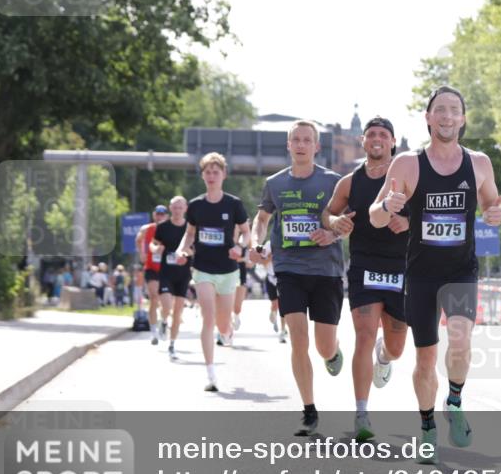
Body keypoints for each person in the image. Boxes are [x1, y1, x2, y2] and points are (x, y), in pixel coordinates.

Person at [370, 86, 501, 464]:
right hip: (422, 275)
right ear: (428, 118)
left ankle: (454, 401)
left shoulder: (479, 163)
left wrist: (495, 215)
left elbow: (493, 207)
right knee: (426, 359)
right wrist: (387, 205)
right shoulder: (407, 164)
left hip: (461, 270)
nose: (447, 116)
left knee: (460, 340)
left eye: (454, 110)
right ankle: (427, 425)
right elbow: (374, 217)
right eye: (440, 110)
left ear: (463, 119)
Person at [250, 120, 344, 436]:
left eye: (307, 140)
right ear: (288, 145)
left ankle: (333, 352)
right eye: (296, 140)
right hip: (289, 269)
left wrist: (331, 234)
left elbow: (347, 221)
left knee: (323, 346)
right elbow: (262, 218)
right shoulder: (275, 183)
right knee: (298, 338)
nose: (301, 145)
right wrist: (256, 243)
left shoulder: (333, 181)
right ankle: (309, 409)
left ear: (316, 147)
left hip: (326, 270)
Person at [325, 116, 409, 442]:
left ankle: (383, 357)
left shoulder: (408, 176)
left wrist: (408, 223)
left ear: (393, 142)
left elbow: (428, 213)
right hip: (364, 266)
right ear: (362, 141)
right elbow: (328, 213)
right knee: (362, 335)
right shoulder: (349, 182)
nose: (377, 139)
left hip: (401, 268)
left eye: (383, 135)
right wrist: (336, 222)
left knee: (397, 348)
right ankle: (362, 413)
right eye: (371, 134)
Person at [174, 152, 250, 392]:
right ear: (203, 175)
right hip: (203, 268)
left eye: (216, 172)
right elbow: (189, 234)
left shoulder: (234, 204)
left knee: (222, 324)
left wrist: (240, 247)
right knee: (208, 318)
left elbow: (246, 232)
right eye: (207, 172)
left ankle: (227, 332)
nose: (211, 176)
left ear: (224, 175)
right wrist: (181, 249)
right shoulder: (196, 205)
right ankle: (210, 374)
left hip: (228, 270)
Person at [151, 196, 191, 360]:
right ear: (170, 208)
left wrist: (186, 254)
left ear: (185, 209)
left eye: (180, 207)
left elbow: (195, 248)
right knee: (167, 306)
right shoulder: (163, 227)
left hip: (183, 273)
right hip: (166, 272)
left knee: (178, 311)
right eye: (175, 207)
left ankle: (172, 344)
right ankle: (163, 320)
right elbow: (153, 243)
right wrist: (155, 249)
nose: (177, 210)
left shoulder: (190, 227)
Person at [136, 205, 170, 343]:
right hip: (151, 267)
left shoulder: (171, 228)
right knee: (154, 297)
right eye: (158, 214)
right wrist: (141, 253)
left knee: (167, 303)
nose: (160, 216)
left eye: (162, 214)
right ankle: (154, 332)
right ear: (153, 215)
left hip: (167, 269)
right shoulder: (146, 228)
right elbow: (138, 240)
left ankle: (164, 322)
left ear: (167, 216)